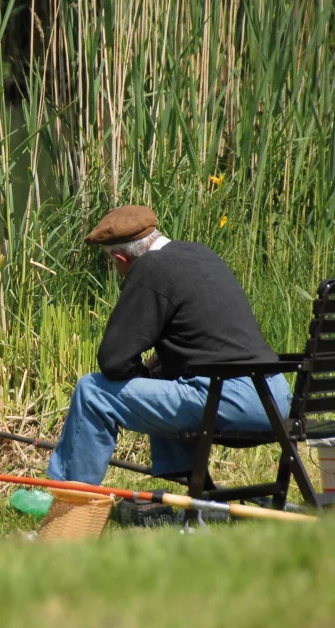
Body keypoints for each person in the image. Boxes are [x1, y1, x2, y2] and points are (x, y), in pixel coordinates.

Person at [47, 205, 292, 486]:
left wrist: (141, 376)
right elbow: (203, 344)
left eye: (114, 265)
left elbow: (113, 360)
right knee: (167, 379)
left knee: (92, 392)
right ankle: (199, 495)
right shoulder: (201, 254)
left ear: (120, 257)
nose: (117, 270)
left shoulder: (149, 268)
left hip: (233, 399)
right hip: (274, 394)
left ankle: (67, 500)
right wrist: (151, 375)